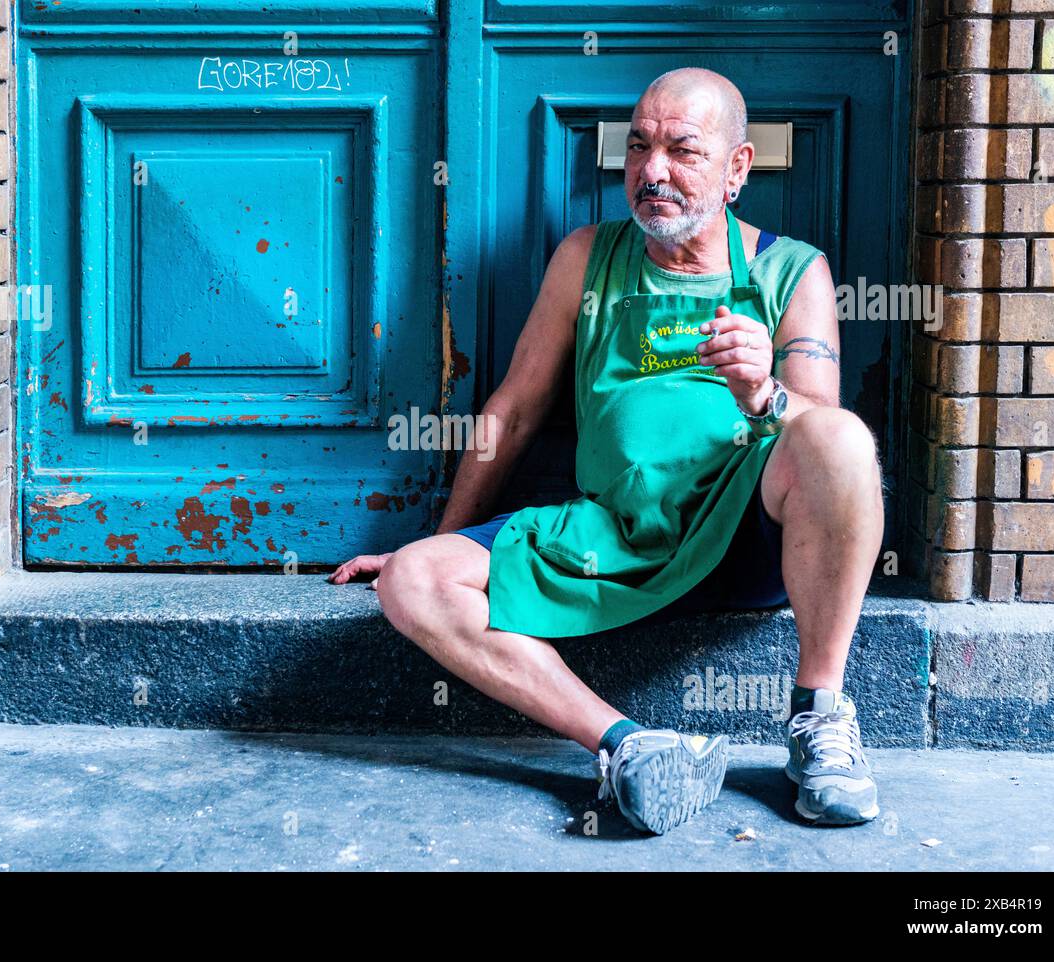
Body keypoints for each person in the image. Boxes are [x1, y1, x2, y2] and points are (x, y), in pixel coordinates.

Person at [329, 67, 884, 834]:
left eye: (682, 150)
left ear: (737, 169)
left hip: (744, 535)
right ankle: (632, 749)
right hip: (609, 537)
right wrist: (444, 537)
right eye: (639, 148)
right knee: (416, 581)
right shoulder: (589, 257)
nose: (653, 171)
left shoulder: (792, 270)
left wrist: (767, 398)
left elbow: (823, 436)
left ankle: (819, 717)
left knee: (839, 435)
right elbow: (514, 410)